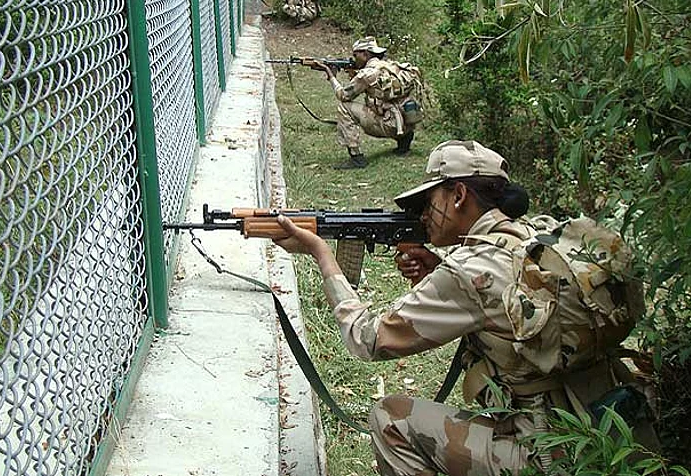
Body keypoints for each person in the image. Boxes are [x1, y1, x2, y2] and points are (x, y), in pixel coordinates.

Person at [272, 140, 658, 476]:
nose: (423, 215)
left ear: (458, 195)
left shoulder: (470, 270)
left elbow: (367, 339)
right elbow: (507, 310)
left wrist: (321, 254)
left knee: (390, 418)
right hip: (611, 432)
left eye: (428, 202)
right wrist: (438, 271)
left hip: (546, 455)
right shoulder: (536, 237)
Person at [313, 37, 424, 169]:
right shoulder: (390, 66)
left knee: (344, 107)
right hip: (407, 121)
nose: (354, 59)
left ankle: (357, 158)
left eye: (356, 55)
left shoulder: (367, 74)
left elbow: (343, 95)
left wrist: (331, 76)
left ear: (365, 54)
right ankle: (404, 144)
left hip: (390, 125)